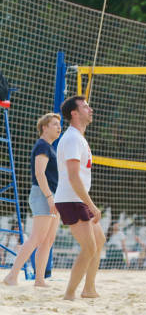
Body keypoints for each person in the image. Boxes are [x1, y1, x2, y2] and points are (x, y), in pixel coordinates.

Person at [54, 96, 105, 300]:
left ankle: (89, 289)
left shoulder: (78, 137)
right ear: (74, 113)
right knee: (89, 247)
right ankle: (69, 294)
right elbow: (74, 176)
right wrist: (92, 205)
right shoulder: (73, 138)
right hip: (70, 199)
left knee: (99, 240)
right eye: (85, 106)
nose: (90, 109)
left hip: (76, 198)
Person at [3, 113, 62, 287]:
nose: (59, 127)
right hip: (43, 194)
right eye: (55, 124)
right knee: (36, 238)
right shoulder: (42, 145)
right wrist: (50, 197)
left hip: (52, 195)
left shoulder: (51, 147)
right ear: (44, 127)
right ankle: (12, 276)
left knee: (48, 240)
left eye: (59, 124)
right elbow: (39, 173)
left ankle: (39, 280)